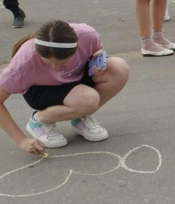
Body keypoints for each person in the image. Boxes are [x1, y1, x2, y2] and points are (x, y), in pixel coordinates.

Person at [0, 20, 130, 154]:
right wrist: (21, 140)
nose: (55, 67)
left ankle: (80, 117)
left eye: (63, 62)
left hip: (75, 80)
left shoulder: (86, 35)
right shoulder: (23, 63)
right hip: (42, 90)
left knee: (119, 67)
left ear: (77, 46)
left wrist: (96, 60)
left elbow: (97, 49)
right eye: (46, 62)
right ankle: (39, 120)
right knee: (88, 100)